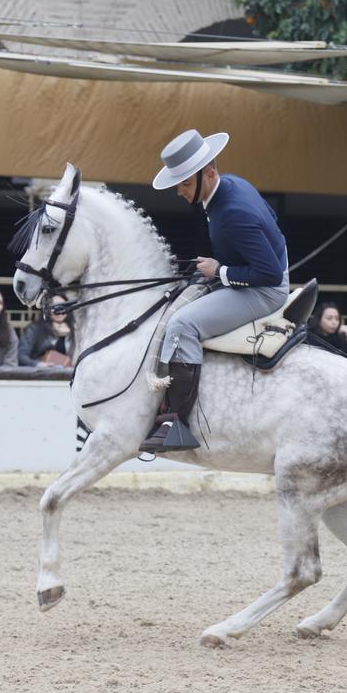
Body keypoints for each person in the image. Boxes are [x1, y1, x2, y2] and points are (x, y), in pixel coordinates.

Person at [141, 128, 289, 452]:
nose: (179, 191)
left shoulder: (232, 213)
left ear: (208, 175)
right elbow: (271, 221)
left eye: (184, 183)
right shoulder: (230, 185)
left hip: (267, 289)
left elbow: (268, 273)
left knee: (183, 323)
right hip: (260, 267)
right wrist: (225, 263)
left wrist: (220, 271)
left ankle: (177, 424)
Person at [19, 294, 74, 367]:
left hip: (69, 374)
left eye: (62, 306)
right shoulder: (34, 329)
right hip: (41, 374)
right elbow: (21, 356)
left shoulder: (75, 329)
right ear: (46, 309)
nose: (59, 311)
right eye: (54, 307)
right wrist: (38, 364)